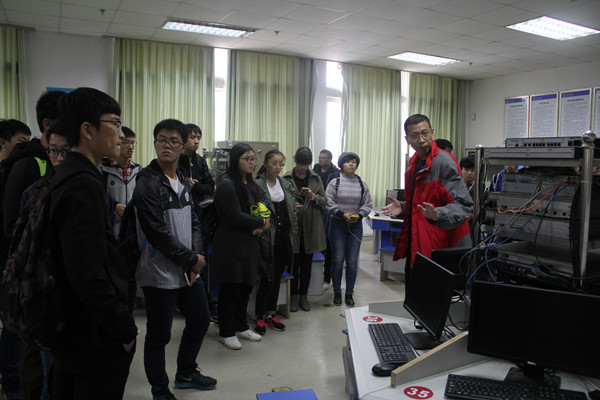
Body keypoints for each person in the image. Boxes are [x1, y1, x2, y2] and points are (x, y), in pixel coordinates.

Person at [48, 87, 137, 399]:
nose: (121, 134)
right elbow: (87, 273)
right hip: (91, 332)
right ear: (87, 130)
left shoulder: (66, 174)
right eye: (114, 123)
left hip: (69, 324)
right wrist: (124, 329)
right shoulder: (83, 184)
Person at [133, 119, 215, 400]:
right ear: (154, 143)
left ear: (182, 146)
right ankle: (159, 390)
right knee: (159, 335)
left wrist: (196, 257)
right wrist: (191, 259)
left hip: (187, 269)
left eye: (173, 141)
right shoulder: (147, 182)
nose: (166, 145)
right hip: (159, 271)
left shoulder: (181, 178)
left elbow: (194, 221)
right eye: (161, 140)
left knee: (200, 320)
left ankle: (186, 372)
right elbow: (157, 233)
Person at [1, 91, 64, 400]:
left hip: (41, 276)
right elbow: (15, 226)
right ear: (48, 124)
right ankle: (13, 384)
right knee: (24, 340)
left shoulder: (51, 162)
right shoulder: (30, 163)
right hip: (27, 273)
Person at [382, 114, 473, 285]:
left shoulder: (443, 162)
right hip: (418, 243)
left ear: (432, 132)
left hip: (441, 248)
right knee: (414, 293)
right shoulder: (414, 162)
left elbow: (464, 206)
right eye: (415, 135)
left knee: (433, 296)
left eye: (425, 133)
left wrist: (438, 214)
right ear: (407, 139)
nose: (421, 140)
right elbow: (423, 201)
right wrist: (404, 207)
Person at [213, 143, 268, 350]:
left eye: (253, 159)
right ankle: (226, 331)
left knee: (246, 286)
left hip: (249, 243)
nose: (251, 162)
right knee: (231, 288)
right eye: (247, 158)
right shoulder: (227, 184)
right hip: (231, 243)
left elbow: (262, 206)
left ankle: (241, 325)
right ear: (235, 160)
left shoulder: (252, 184)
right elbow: (233, 215)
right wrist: (260, 223)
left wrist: (264, 222)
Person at [254, 149, 298, 333]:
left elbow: (291, 210)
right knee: (267, 278)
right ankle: (259, 316)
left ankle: (271, 313)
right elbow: (255, 210)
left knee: (277, 278)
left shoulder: (285, 184)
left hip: (284, 237)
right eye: (274, 163)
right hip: (266, 238)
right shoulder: (257, 184)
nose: (278, 167)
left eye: (281, 163)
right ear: (265, 164)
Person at [177, 123, 217, 322]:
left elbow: (210, 186)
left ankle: (205, 303)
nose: (196, 141)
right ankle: (183, 303)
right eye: (192, 137)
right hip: (179, 218)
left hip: (200, 219)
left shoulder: (200, 161)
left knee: (200, 261)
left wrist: (197, 186)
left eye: (198, 137)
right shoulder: (176, 160)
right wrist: (186, 185)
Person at [325, 152, 373, 307]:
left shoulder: (361, 183)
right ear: (341, 165)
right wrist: (341, 214)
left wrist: (359, 215)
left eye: (354, 162)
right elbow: (328, 202)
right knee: (338, 260)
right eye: (348, 162)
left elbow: (368, 204)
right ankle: (337, 292)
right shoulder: (335, 182)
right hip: (337, 225)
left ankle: (349, 293)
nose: (351, 164)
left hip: (355, 226)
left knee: (352, 262)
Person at [285, 147, 326, 312]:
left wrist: (313, 197)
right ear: (295, 161)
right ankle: (293, 296)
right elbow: (281, 200)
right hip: (293, 227)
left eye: (306, 165)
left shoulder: (315, 178)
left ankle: (304, 296)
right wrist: (292, 206)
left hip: (310, 226)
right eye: (300, 164)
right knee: (293, 264)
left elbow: (324, 200)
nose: (303, 168)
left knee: (306, 264)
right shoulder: (287, 178)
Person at [99, 126, 141, 237]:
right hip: (111, 229)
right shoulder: (103, 170)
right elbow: (99, 197)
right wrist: (114, 206)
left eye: (133, 143)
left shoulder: (139, 171)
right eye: (126, 142)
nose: (130, 147)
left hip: (133, 231)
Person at [312, 149, 338, 290]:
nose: (320, 160)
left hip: (328, 210)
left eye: (324, 158)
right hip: (315, 207)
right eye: (319, 157)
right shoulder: (315, 169)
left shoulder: (334, 173)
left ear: (329, 159)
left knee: (328, 243)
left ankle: (327, 277)